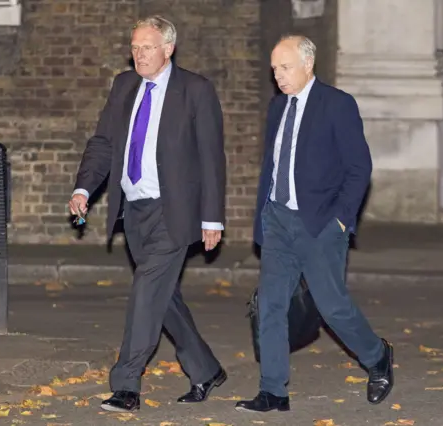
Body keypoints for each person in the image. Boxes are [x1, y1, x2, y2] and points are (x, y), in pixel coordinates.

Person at [69, 15, 227, 413]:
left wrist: (212, 217)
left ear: (168, 48)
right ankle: (206, 369)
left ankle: (126, 385)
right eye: (135, 47)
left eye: (147, 47)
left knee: (145, 293)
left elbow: (211, 158)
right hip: (133, 208)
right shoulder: (125, 86)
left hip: (173, 210)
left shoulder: (195, 90)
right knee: (162, 297)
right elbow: (103, 142)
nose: (138, 54)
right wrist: (84, 187)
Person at [235, 35, 394, 413]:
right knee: (271, 305)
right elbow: (273, 167)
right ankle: (273, 390)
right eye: (274, 68)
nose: (278, 76)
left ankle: (377, 357)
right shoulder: (277, 107)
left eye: (285, 67)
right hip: (278, 220)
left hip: (320, 223)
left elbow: (359, 168)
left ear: (308, 65)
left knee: (332, 307)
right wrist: (263, 216)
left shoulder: (337, 105)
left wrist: (341, 219)